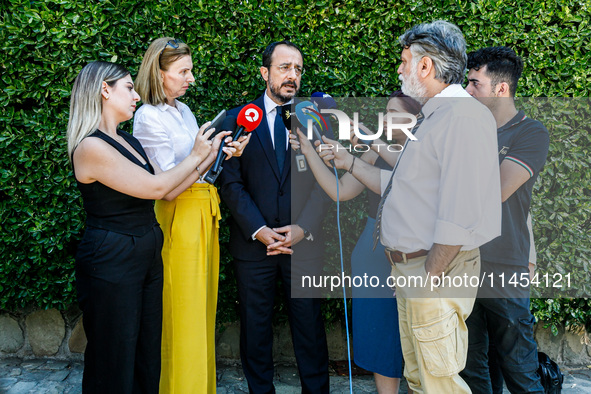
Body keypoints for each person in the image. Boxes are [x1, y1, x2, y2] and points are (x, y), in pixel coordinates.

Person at [318, 21, 501, 393]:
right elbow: (404, 188)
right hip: (413, 271)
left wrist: (427, 277)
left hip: (430, 272)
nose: (400, 69)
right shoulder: (436, 116)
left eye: (404, 61)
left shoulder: (461, 118)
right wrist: (351, 162)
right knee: (420, 379)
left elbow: (461, 214)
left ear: (425, 67)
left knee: (439, 383)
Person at [67, 61, 223, 393]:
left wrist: (213, 155)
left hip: (146, 254)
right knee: (114, 357)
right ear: (104, 90)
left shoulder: (128, 141)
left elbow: (168, 187)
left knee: (146, 353)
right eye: (129, 87)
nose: (137, 95)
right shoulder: (90, 147)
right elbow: (153, 189)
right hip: (113, 258)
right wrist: (197, 154)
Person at [132, 37, 249, 394]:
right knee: (180, 312)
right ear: (159, 73)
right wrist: (201, 154)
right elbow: (165, 185)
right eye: (183, 71)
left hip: (202, 213)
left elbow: (199, 169)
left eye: (191, 70)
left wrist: (224, 153)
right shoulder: (147, 116)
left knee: (201, 310)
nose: (190, 78)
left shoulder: (183, 111)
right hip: (178, 217)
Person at [218, 40, 331, 393]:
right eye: (284, 68)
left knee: (310, 329)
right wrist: (259, 230)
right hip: (255, 248)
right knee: (255, 329)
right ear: (265, 73)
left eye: (297, 69)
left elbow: (327, 183)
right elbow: (229, 183)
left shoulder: (316, 120)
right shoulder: (236, 119)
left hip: (303, 246)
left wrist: (303, 227)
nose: (292, 76)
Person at [291, 92, 421, 393]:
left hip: (413, 250)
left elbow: (410, 171)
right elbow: (341, 191)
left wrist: (365, 137)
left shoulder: (423, 150)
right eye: (384, 112)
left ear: (416, 117)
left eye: (392, 112)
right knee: (381, 333)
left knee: (417, 332)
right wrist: (311, 151)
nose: (384, 119)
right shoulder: (375, 152)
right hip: (373, 248)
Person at [461, 46, 549, 393]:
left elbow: (495, 192)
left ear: (501, 89)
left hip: (504, 267)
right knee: (470, 369)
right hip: (463, 262)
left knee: (520, 371)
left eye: (474, 84)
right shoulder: (468, 131)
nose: (467, 92)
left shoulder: (530, 133)